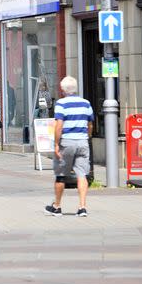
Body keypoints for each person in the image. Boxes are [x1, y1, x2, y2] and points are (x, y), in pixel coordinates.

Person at [45, 76, 94, 218]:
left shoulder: (61, 103)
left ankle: (57, 206)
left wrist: (55, 144)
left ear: (63, 89)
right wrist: (88, 136)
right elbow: (90, 124)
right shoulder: (86, 103)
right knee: (82, 174)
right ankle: (82, 207)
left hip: (66, 142)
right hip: (82, 141)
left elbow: (59, 125)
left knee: (60, 175)